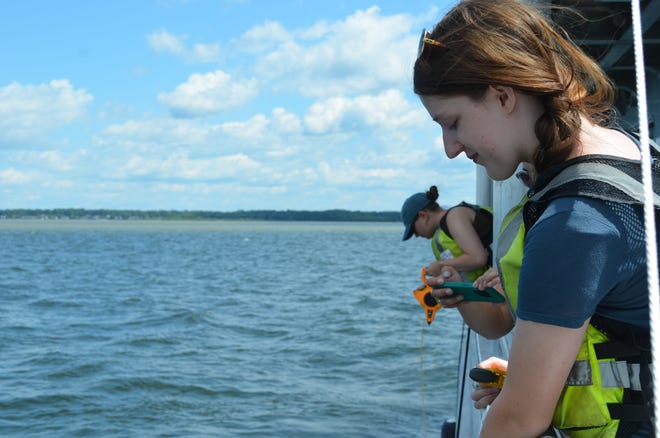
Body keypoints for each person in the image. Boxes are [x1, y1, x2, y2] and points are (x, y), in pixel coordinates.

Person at [414, 0, 654, 436]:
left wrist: (521, 400)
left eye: (452, 123)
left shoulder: (575, 221)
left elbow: (519, 422)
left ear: (503, 96)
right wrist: (530, 377)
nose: (450, 148)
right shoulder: (634, 152)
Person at [401, 185, 492, 282]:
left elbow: (478, 258)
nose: (416, 235)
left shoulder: (455, 217)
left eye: (413, 230)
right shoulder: (443, 230)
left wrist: (441, 265)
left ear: (423, 215)